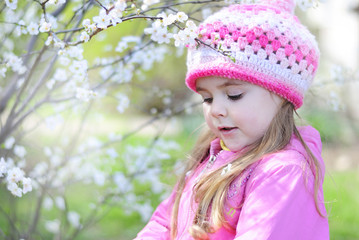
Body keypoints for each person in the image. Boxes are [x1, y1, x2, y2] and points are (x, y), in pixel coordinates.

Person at [135, 0, 330, 239]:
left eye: (233, 95)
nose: (216, 109)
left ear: (282, 95)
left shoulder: (283, 173)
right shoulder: (211, 155)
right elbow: (166, 221)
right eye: (207, 99)